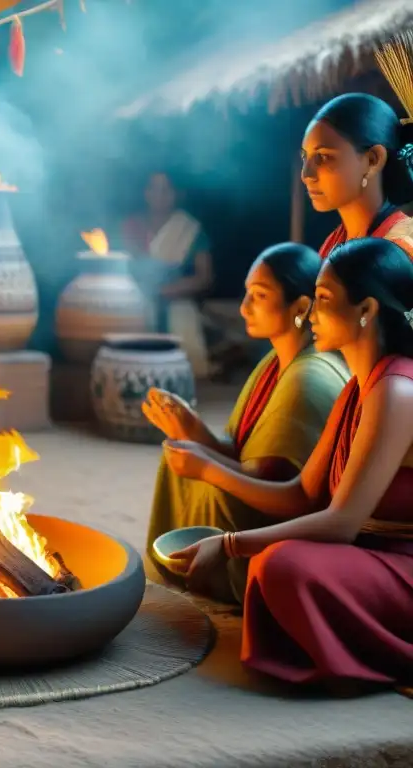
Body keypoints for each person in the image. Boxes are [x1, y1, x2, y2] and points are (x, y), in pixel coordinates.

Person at [166, 236, 413, 689]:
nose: (311, 315)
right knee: (273, 562)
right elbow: (302, 493)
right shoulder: (358, 386)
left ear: (367, 310)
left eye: (322, 300)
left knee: (281, 565)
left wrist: (230, 544)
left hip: (402, 566)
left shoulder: (397, 389)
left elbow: (341, 523)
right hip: (369, 554)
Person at [144, 243, 348, 602]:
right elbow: (242, 454)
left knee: (197, 473)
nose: (243, 307)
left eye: (259, 295)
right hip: (269, 495)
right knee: (181, 454)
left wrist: (205, 466)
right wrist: (190, 429)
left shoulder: (307, 377)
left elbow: (278, 487)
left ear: (301, 307)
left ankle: (220, 571)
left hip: (282, 524)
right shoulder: (275, 360)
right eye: (247, 293)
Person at [121, 171, 213, 376]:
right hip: (137, 299)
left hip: (176, 298)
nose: (159, 195)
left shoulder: (189, 228)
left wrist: (166, 290)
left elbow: (204, 277)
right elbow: (123, 268)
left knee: (184, 325)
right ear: (145, 193)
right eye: (153, 188)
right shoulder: (132, 226)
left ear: (176, 194)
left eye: (166, 189)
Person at [302, 93, 413, 258]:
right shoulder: (334, 243)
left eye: (324, 157)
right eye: (305, 157)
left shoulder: (401, 250)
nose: (306, 175)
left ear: (372, 160)